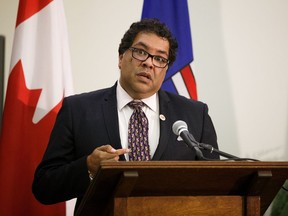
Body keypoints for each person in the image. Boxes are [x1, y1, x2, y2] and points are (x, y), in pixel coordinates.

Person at [32, 18, 219, 212]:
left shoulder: (195, 115)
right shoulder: (78, 109)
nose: (148, 63)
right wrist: (88, 167)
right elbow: (44, 187)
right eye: (140, 52)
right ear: (121, 58)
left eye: (160, 59)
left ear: (165, 71)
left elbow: (217, 186)